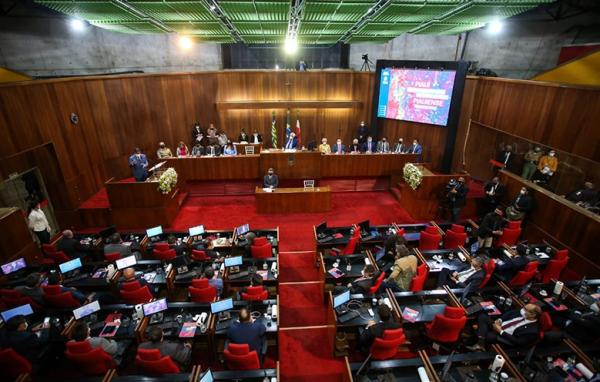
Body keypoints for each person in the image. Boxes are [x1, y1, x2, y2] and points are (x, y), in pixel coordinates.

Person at [471, 303, 541, 350]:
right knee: (482, 316)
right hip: (499, 325)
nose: (522, 310)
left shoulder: (533, 331)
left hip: (504, 336)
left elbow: (518, 342)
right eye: (524, 307)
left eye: (526, 309)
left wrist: (501, 331)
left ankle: (478, 342)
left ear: (533, 315)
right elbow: (509, 313)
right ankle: (480, 344)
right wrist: (500, 320)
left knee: (488, 334)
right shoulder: (523, 313)